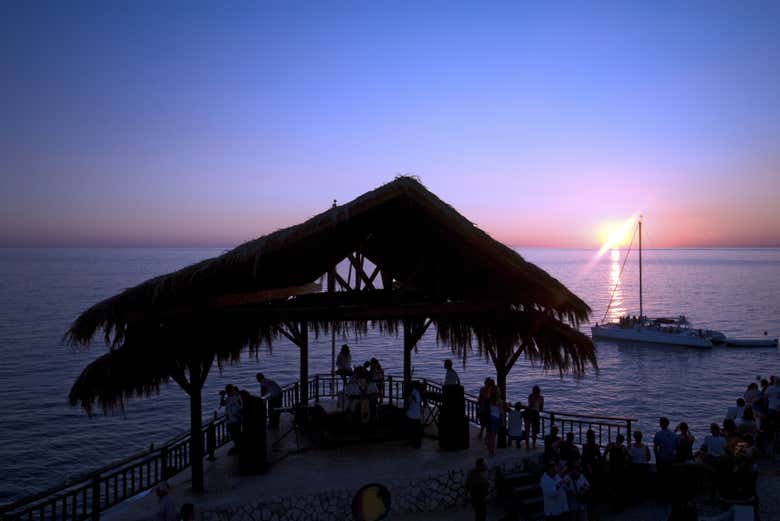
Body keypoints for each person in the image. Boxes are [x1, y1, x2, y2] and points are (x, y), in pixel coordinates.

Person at [654, 417, 677, 500]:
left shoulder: (658, 434)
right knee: (669, 477)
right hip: (670, 458)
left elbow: (655, 448)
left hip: (662, 458)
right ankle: (669, 495)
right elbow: (675, 447)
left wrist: (657, 457)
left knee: (661, 477)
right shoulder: (674, 434)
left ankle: (661, 496)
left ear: (660, 424)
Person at [605, 433, 630, 511]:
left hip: (612, 469)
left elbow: (605, 454)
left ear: (616, 439)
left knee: (613, 487)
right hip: (620, 470)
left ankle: (612, 505)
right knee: (619, 488)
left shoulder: (610, 445)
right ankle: (618, 506)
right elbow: (628, 457)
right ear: (622, 440)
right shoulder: (623, 448)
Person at [581, 429, 602, 520]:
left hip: (589, 470)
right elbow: (599, 457)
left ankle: (591, 510)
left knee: (591, 490)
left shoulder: (585, 446)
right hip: (592, 470)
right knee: (592, 490)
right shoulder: (594, 446)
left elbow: (583, 459)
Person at [220, 384, 243, 453]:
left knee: (236, 435)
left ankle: (239, 448)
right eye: (227, 391)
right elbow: (222, 404)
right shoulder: (228, 398)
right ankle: (237, 447)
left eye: (228, 390)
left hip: (236, 420)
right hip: (230, 420)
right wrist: (222, 396)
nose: (227, 392)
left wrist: (239, 416)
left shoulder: (236, 397)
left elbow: (240, 407)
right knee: (233, 435)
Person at [629, 431, 651, 501]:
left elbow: (630, 458)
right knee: (643, 482)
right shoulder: (645, 447)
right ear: (641, 437)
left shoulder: (631, 447)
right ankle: (643, 496)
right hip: (643, 467)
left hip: (635, 467)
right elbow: (648, 458)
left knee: (635, 482)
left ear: (634, 437)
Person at [485, 388, 503, 457]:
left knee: (490, 435)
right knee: (494, 436)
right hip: (496, 419)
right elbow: (501, 412)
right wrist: (502, 420)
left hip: (489, 418)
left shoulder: (489, 400)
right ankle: (492, 451)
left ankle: (490, 450)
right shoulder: (499, 401)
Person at [525, 385, 544, 449]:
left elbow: (529, 404)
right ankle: (533, 445)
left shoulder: (530, 396)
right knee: (534, 431)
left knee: (527, 430)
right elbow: (541, 409)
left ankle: (527, 445)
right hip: (535, 413)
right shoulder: (541, 398)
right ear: (539, 391)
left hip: (528, 412)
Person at [405, 382, 423, 448]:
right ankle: (413, 441)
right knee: (412, 429)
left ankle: (417, 443)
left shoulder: (416, 393)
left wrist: (412, 396)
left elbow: (417, 400)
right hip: (411, 413)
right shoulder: (413, 392)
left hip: (415, 415)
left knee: (416, 430)